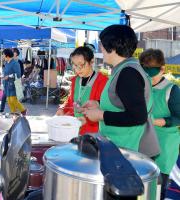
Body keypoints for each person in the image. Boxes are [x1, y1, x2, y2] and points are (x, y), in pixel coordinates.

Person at [81, 25, 158, 156]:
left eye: (103, 45)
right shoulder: (125, 69)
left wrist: (100, 115)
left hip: (129, 150)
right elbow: (125, 100)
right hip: (122, 147)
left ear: (113, 48)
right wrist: (99, 103)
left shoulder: (128, 73)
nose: (101, 49)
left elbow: (138, 116)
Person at [139, 48, 180, 200]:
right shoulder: (142, 87)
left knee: (159, 187)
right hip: (144, 142)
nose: (149, 77)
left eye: (152, 72)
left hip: (165, 145)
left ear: (163, 68)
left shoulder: (172, 90)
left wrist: (159, 121)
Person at [56, 46, 108, 135]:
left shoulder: (103, 81)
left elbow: (105, 109)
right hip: (74, 130)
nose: (77, 69)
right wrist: (62, 109)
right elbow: (71, 101)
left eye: (81, 65)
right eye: (75, 65)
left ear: (91, 61)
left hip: (94, 133)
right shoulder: (75, 80)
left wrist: (87, 120)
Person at [2, 48, 27, 115]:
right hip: (7, 84)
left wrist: (9, 76)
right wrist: (3, 77)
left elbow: (18, 74)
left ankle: (23, 110)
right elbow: (5, 73)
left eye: (3, 55)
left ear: (7, 55)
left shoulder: (15, 63)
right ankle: (13, 113)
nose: (2, 56)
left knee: (13, 100)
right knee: (9, 101)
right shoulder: (6, 63)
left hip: (13, 84)